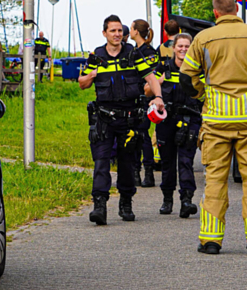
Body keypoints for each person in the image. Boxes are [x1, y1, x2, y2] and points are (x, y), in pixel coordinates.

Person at [179, 0, 247, 255]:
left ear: (216, 12)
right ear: (236, 9)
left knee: (215, 179)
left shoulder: (203, 38)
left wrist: (206, 93)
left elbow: (186, 78)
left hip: (216, 120)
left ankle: (211, 241)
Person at [80, 15, 165, 225]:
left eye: (119, 31)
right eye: (112, 31)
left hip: (128, 120)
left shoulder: (133, 54)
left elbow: (151, 77)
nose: (117, 34)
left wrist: (158, 97)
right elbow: (82, 83)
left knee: (127, 165)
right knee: (101, 163)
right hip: (104, 119)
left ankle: (126, 202)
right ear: (104, 33)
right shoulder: (96, 56)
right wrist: (92, 74)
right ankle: (99, 205)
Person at [152, 32, 202, 217]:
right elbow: (147, 89)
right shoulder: (163, 67)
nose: (183, 49)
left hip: (190, 120)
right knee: (167, 162)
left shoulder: (198, 69)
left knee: (186, 161)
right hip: (167, 120)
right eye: (180, 46)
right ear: (173, 48)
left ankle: (186, 200)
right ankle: (167, 199)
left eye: (187, 46)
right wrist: (157, 83)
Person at [129, 19, 160, 187]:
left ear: (136, 31)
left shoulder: (148, 51)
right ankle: (135, 172)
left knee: (143, 134)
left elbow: (150, 76)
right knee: (135, 134)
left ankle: (148, 172)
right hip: (134, 97)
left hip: (145, 98)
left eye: (132, 27)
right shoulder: (136, 50)